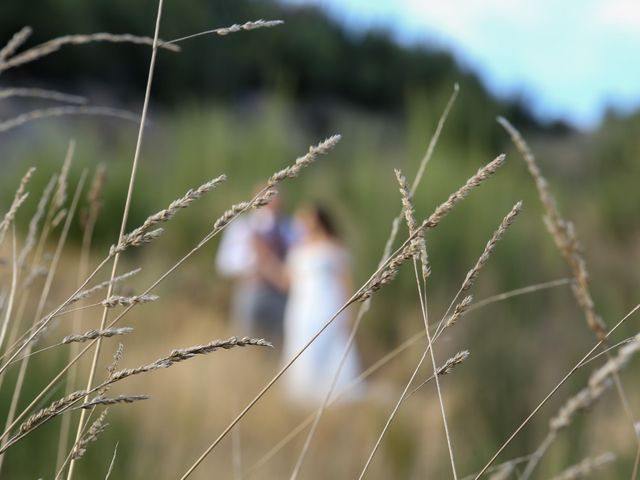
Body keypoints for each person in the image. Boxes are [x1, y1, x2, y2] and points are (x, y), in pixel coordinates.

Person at [258, 204, 362, 405]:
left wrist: (349, 310)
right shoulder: (298, 248)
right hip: (302, 306)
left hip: (328, 302)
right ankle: (304, 394)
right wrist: (266, 262)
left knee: (330, 341)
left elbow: (345, 281)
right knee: (302, 343)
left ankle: (335, 393)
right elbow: (286, 281)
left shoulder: (334, 246)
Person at [215, 190, 293, 345]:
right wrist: (254, 264)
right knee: (245, 337)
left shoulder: (288, 227)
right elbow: (225, 263)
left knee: (277, 341)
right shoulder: (242, 226)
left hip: (280, 295)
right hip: (250, 290)